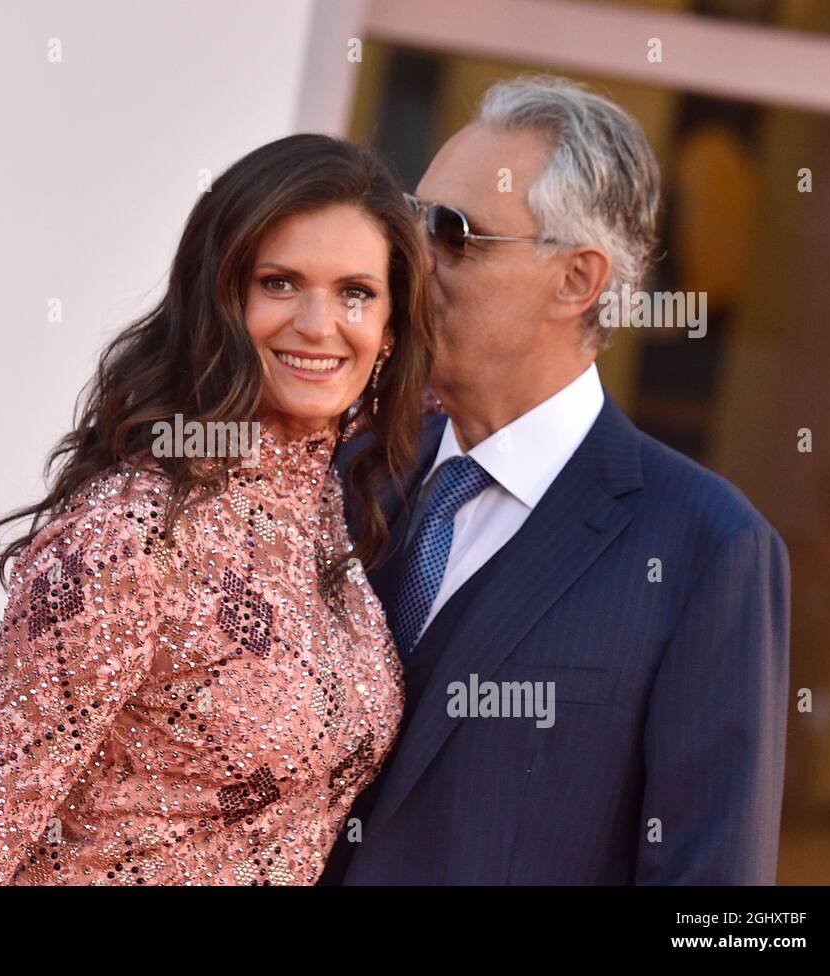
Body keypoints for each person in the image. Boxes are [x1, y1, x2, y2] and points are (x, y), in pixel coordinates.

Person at [0, 133, 433, 885]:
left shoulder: (327, 522)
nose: (320, 324)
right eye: (280, 283)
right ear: (219, 300)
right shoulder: (134, 531)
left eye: (356, 292)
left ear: (388, 331)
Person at [321, 75, 790, 885]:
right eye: (409, 220)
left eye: (454, 233)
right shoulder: (345, 469)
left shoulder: (707, 547)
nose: (407, 262)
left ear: (579, 280)